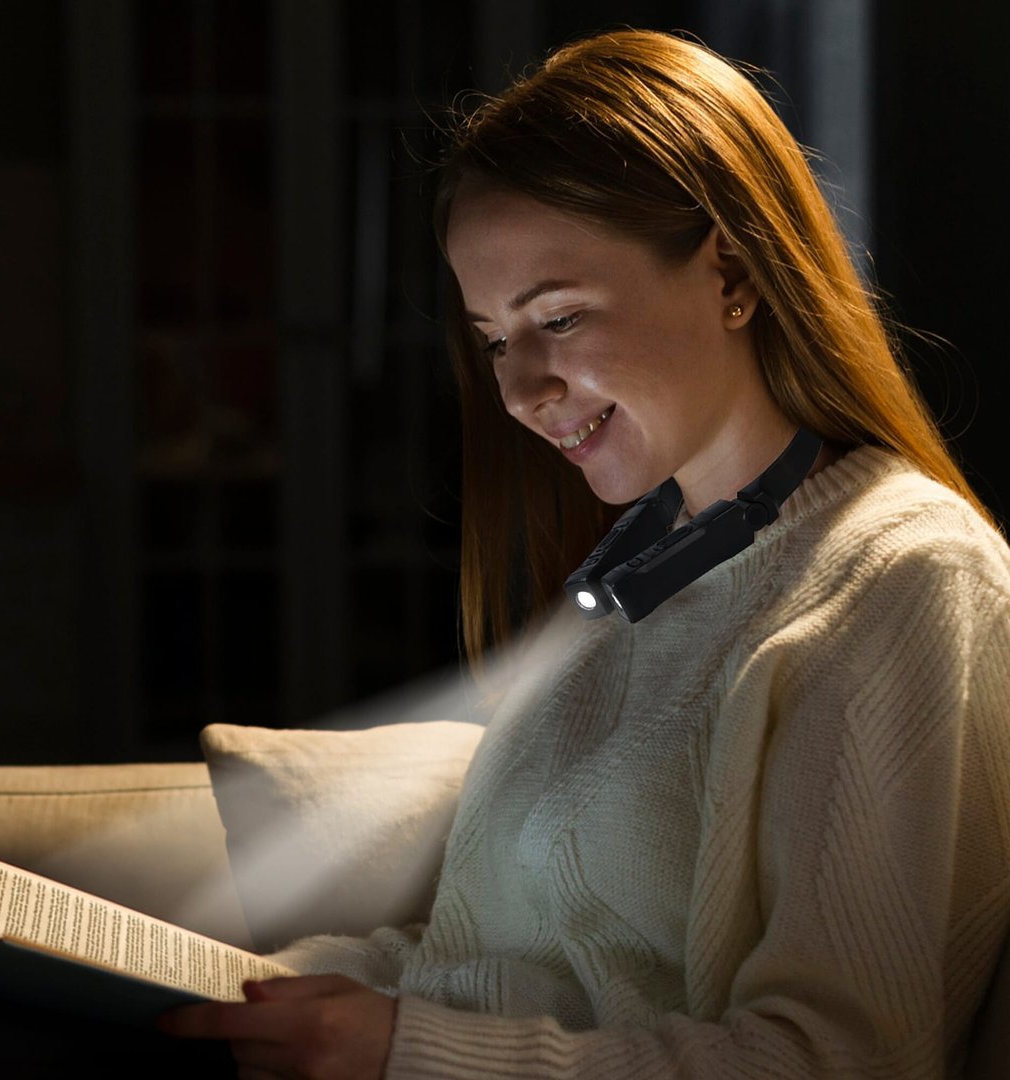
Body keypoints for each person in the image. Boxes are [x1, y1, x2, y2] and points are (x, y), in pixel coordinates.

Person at [160, 28, 1010, 1078]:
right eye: (494, 340)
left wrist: (404, 1053)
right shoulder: (639, 571)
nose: (520, 394)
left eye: (558, 317)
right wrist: (248, 985)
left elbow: (838, 1058)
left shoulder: (907, 580)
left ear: (731, 273)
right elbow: (497, 957)